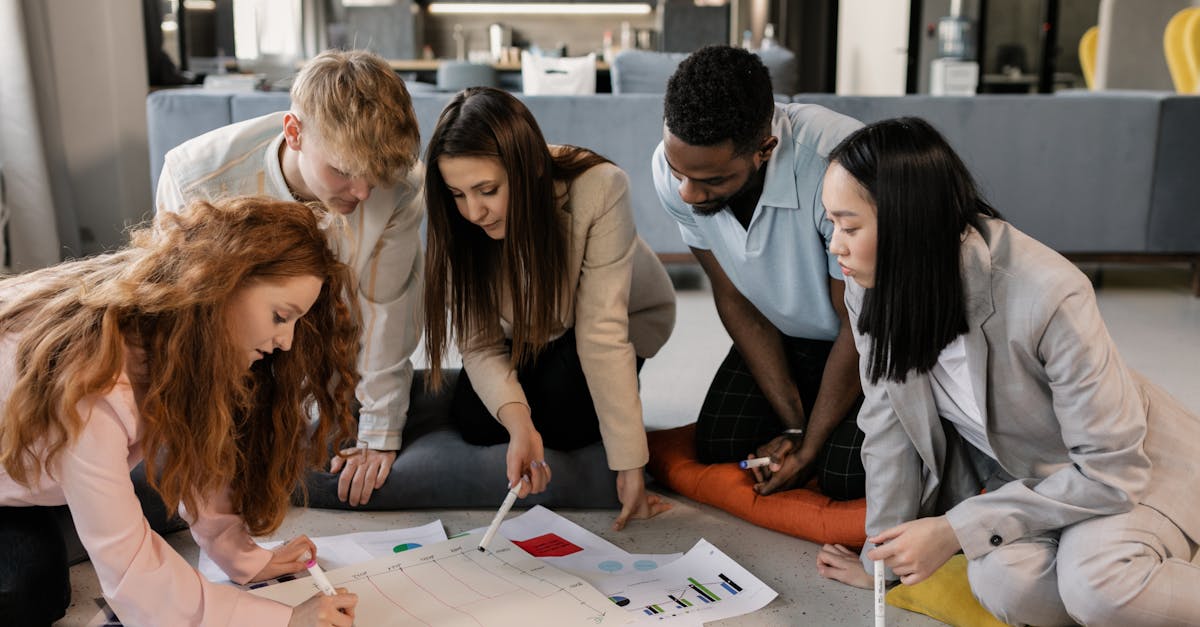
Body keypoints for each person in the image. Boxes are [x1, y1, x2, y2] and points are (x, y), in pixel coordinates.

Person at [815, 117, 1200, 625]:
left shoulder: (1046, 292)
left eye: (850, 225)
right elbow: (888, 429)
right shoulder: (872, 285)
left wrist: (955, 530)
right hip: (1038, 485)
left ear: (911, 222)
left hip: (1131, 473)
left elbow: (1111, 470)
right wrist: (883, 567)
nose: (834, 245)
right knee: (1001, 582)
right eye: (831, 223)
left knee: (1096, 588)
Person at [0, 197, 362, 626]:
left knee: (147, 494)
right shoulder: (92, 382)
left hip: (45, 460)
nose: (286, 341)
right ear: (221, 285)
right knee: (28, 591)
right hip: (19, 474)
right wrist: (282, 621)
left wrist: (243, 558)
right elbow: (135, 577)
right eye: (282, 316)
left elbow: (196, 453)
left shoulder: (176, 328)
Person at [156, 49, 424, 507]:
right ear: (294, 133)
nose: (361, 193)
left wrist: (380, 431)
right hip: (234, 351)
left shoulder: (398, 182)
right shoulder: (197, 178)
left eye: (373, 177)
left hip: (337, 344)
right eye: (342, 171)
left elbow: (386, 308)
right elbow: (186, 322)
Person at [423, 87, 676, 531]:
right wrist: (520, 424)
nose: (474, 211)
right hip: (531, 330)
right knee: (478, 422)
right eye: (458, 194)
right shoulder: (462, 219)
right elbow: (480, 346)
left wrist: (632, 463)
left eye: (487, 190)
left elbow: (602, 334)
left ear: (530, 168)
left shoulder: (600, 188)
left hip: (613, 323)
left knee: (564, 417)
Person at [652, 44, 867, 499]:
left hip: (874, 334)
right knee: (719, 444)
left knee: (842, 475)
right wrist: (792, 423)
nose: (688, 194)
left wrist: (809, 446)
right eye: (679, 174)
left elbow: (857, 322)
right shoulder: (676, 169)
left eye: (712, 181)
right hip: (791, 330)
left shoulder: (837, 169)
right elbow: (731, 293)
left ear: (764, 149)